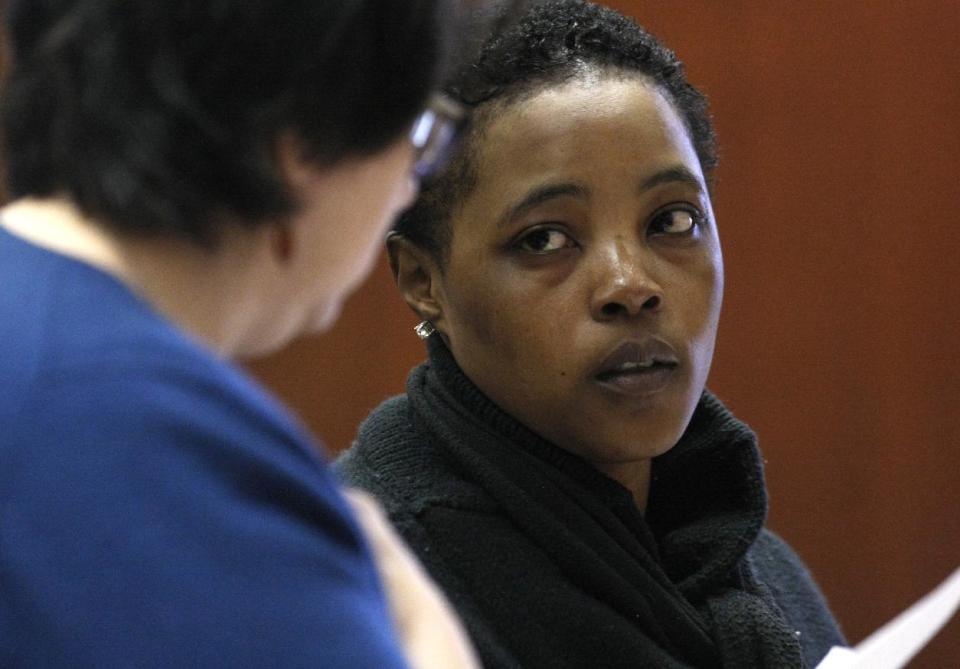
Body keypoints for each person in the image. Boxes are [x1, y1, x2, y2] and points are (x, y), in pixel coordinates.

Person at [336, 1, 847, 667]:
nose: (631, 285)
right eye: (545, 239)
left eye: (671, 220)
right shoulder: (367, 588)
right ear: (421, 278)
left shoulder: (756, 569)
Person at [0, 1, 481, 666]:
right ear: (304, 141)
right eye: (419, 137)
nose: (405, 192)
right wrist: (422, 626)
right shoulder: (147, 439)